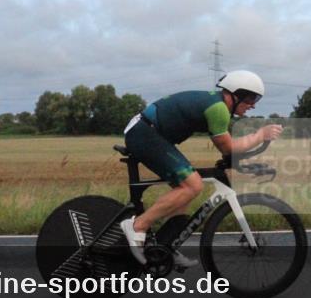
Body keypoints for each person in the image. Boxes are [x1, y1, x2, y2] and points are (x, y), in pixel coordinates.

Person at [120, 70, 283, 267]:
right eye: (251, 98)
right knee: (192, 185)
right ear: (236, 94)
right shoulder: (218, 109)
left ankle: (166, 246)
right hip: (144, 134)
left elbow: (228, 151)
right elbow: (228, 147)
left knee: (184, 191)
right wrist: (260, 136)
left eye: (256, 99)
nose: (253, 104)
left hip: (148, 133)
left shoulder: (217, 104)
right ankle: (137, 225)